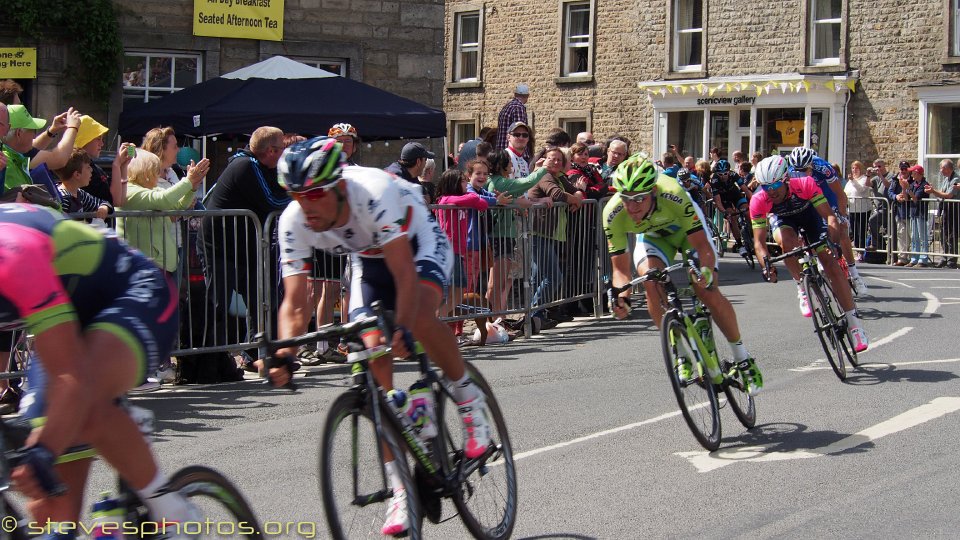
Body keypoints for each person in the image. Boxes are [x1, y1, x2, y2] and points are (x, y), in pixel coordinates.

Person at [271, 137, 493, 535]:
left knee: (420, 316)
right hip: (368, 263)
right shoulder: (294, 219)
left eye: (316, 193)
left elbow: (405, 276)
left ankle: (467, 396)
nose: (306, 205)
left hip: (417, 243)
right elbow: (294, 302)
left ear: (338, 186)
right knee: (374, 362)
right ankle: (401, 489)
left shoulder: (372, 192)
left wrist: (404, 326)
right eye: (296, 194)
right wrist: (284, 353)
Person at [2, 203, 199, 540]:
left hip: (130, 290)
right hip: (65, 324)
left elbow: (73, 378)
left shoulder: (12, 255)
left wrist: (41, 451)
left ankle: (174, 512)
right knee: (50, 514)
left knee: (83, 404)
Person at [604, 154, 763, 395]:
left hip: (688, 236)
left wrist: (706, 272)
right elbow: (620, 270)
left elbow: (702, 247)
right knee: (650, 279)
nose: (632, 207)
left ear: (654, 192)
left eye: (639, 198)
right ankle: (679, 350)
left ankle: (742, 358)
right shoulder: (613, 213)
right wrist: (622, 297)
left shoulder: (673, 194)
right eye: (626, 198)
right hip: (654, 240)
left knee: (707, 290)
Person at [750, 156, 869, 352]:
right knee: (786, 243)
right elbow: (759, 242)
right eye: (766, 187)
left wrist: (833, 241)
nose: (771, 191)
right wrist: (766, 266)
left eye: (776, 186)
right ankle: (802, 287)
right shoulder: (759, 200)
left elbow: (829, 216)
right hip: (784, 220)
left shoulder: (805, 183)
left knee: (830, 263)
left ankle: (854, 325)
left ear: (786, 179)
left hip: (811, 216)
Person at [202, 126, 290, 367]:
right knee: (218, 303)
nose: (285, 152)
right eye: (282, 148)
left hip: (246, 247)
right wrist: (300, 196)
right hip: (221, 246)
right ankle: (212, 359)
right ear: (271, 150)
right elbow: (271, 201)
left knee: (263, 299)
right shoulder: (246, 165)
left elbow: (278, 190)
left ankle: (254, 355)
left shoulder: (264, 167)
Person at [787, 147, 867, 295]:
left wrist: (842, 216)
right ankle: (814, 262)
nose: (801, 172)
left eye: (805, 169)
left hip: (827, 196)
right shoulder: (788, 169)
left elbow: (840, 194)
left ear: (811, 165)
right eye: (797, 170)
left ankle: (854, 274)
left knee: (841, 231)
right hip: (806, 198)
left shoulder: (823, 167)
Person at [117, 148, 207, 277]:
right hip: (143, 268)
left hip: (158, 265)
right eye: (155, 169)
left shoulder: (150, 188)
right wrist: (188, 180)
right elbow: (164, 200)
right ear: (144, 171)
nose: (158, 174)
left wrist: (192, 187)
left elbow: (179, 206)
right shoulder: (129, 191)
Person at [483, 149, 546, 315]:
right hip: (500, 236)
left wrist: (517, 203)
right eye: (509, 162)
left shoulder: (498, 181)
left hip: (503, 235)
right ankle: (492, 321)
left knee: (499, 282)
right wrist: (545, 168)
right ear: (502, 165)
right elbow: (526, 183)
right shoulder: (500, 182)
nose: (512, 164)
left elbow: (520, 192)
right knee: (496, 283)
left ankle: (496, 319)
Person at [708, 159, 753, 257]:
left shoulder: (734, 175)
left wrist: (754, 202)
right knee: (732, 217)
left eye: (725, 173)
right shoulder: (714, 180)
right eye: (720, 174)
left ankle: (753, 233)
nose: (723, 176)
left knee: (747, 211)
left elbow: (745, 189)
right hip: (724, 199)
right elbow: (717, 200)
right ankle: (740, 245)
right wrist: (724, 212)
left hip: (735, 194)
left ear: (729, 172)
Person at [52, 148, 112, 219]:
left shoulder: (79, 193)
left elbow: (102, 202)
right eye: (88, 167)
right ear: (77, 175)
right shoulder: (63, 199)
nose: (91, 170)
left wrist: (103, 207)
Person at [927, 159, 960, 268]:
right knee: (943, 234)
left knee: (951, 235)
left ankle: (951, 259)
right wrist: (935, 191)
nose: (940, 170)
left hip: (953, 210)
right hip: (945, 209)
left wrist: (933, 191)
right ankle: (944, 257)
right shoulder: (946, 179)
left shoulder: (956, 179)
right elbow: (942, 193)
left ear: (947, 168)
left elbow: (949, 195)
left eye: (942, 168)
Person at [845, 161, 873, 259]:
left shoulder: (864, 178)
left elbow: (861, 190)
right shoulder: (849, 181)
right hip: (852, 209)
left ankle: (861, 252)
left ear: (861, 169)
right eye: (853, 168)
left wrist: (853, 180)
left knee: (861, 231)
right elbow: (846, 192)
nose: (854, 170)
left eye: (857, 168)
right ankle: (857, 251)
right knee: (854, 231)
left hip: (862, 209)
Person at [904, 164, 932, 267]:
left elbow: (915, 198)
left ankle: (923, 259)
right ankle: (914, 258)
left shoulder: (924, 184)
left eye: (913, 172)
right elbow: (907, 198)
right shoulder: (913, 184)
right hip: (913, 212)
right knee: (914, 236)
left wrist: (908, 189)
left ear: (918, 173)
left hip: (920, 213)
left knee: (922, 236)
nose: (912, 174)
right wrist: (904, 188)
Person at [497, 83, 530, 158]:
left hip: (501, 151)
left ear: (515, 94)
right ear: (527, 96)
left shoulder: (506, 107)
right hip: (512, 154)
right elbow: (519, 133)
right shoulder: (518, 108)